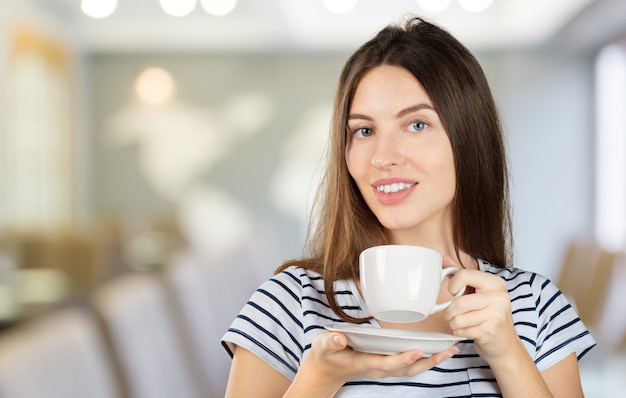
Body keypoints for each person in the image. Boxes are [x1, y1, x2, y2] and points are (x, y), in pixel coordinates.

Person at [221, 16, 596, 397]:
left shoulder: (533, 305)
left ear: (469, 137)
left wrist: (509, 355)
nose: (383, 157)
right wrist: (318, 379)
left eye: (416, 125)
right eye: (364, 131)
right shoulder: (292, 302)